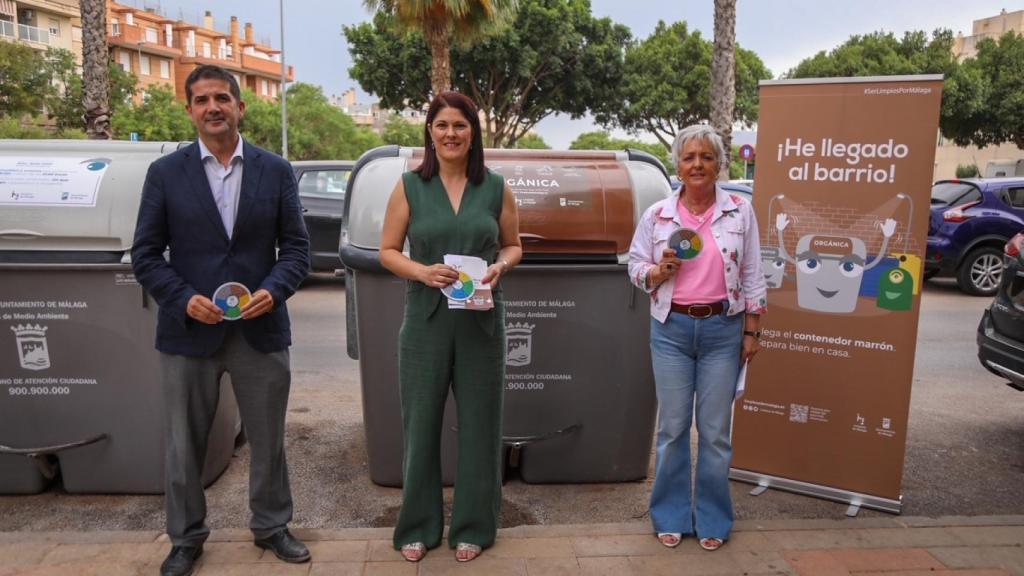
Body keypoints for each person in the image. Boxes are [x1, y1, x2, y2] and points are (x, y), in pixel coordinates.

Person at [131, 64, 311, 576]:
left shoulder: (275, 170)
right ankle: (186, 539)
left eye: (223, 98)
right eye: (203, 99)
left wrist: (273, 292)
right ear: (189, 110)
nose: (214, 107)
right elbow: (145, 254)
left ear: (240, 107)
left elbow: (296, 250)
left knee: (269, 438)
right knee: (183, 443)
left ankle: (272, 526)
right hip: (188, 332)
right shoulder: (166, 173)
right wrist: (182, 298)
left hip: (260, 328)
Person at [379, 91, 522, 563]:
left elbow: (514, 245)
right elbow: (388, 251)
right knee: (421, 425)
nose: (451, 134)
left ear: (473, 132)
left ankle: (474, 526)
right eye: (441, 125)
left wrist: (501, 265)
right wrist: (421, 271)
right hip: (426, 321)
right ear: (429, 132)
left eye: (460, 125)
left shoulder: (496, 187)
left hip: (482, 321)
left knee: (482, 426)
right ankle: (418, 524)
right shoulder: (409, 186)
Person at [627, 124, 767, 552]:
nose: (698, 165)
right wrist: (656, 272)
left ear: (719, 164)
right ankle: (669, 514)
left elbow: (753, 273)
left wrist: (753, 329)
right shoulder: (657, 215)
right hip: (671, 329)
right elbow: (633, 265)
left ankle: (712, 516)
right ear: (677, 165)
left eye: (706, 157)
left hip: (723, 330)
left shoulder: (740, 211)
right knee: (671, 429)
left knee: (714, 431)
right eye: (689, 158)